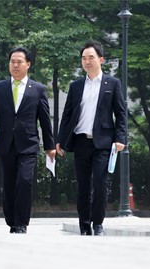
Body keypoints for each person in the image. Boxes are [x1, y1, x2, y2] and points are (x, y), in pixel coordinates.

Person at [56, 41, 127, 236]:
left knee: (100, 185)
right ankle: (84, 226)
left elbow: (121, 114)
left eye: (91, 58)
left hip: (103, 143)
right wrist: (60, 139)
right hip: (80, 142)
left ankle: (98, 224)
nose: (87, 62)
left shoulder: (112, 84)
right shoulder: (76, 86)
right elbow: (67, 114)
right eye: (83, 58)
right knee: (83, 187)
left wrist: (120, 138)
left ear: (101, 60)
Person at [0, 47, 55, 234]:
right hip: (5, 144)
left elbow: (45, 119)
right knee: (8, 184)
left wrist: (50, 146)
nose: (15, 65)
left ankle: (22, 223)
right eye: (12, 62)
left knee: (24, 181)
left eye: (19, 62)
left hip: (28, 144)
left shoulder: (38, 89)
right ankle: (12, 222)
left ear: (28, 64)